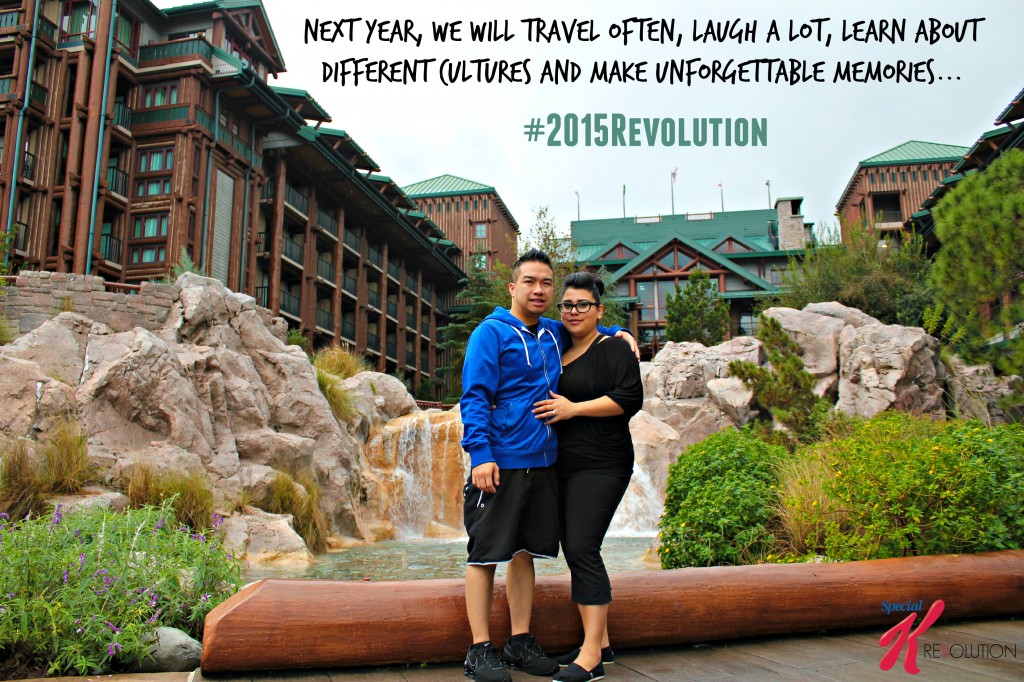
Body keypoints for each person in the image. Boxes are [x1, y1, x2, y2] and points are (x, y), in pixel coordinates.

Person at [460, 251, 636, 682]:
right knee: (484, 554)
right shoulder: (491, 334)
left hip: (544, 463)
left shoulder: (553, 333)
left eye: (545, 284)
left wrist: (619, 331)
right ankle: (479, 650)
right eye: (530, 282)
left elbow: (587, 325)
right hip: (501, 460)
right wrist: (480, 453)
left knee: (525, 553)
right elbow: (475, 396)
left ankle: (519, 641)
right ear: (513, 287)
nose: (539, 290)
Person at [532, 272, 643, 682]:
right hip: (564, 465)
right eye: (567, 305)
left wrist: (573, 409)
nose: (573, 311)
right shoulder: (556, 343)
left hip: (605, 463)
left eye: (583, 305)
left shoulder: (612, 349)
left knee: (581, 546)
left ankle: (592, 657)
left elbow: (630, 399)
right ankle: (603, 641)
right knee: (574, 546)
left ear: (598, 310)